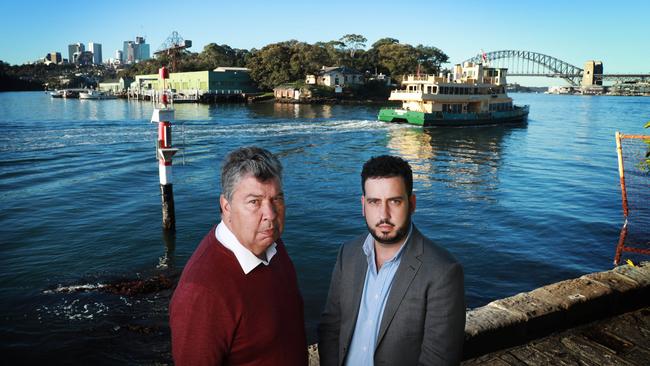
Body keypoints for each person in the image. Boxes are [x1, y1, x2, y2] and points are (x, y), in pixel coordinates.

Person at [318, 155, 465, 366]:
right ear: (363, 205)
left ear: (411, 203)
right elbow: (331, 327)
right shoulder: (347, 254)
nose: (384, 214)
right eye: (374, 202)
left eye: (394, 201)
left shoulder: (443, 272)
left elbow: (439, 360)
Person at [169, 146, 307, 366]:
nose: (270, 215)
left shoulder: (273, 244)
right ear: (226, 206)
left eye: (277, 199)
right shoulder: (202, 293)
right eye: (255, 202)